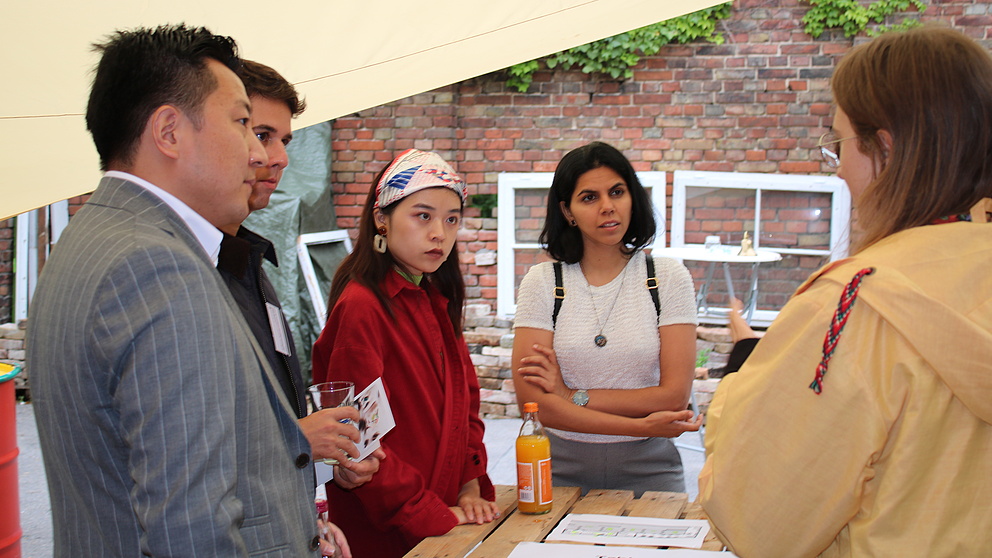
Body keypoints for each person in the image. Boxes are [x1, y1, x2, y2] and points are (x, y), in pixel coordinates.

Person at [27, 25, 321, 556]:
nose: (259, 156)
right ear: (169, 131)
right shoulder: (160, 266)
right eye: (241, 123)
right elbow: (191, 528)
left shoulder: (88, 240)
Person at [698, 26, 992, 557]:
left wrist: (739, 387)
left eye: (838, 144)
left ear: (885, 147)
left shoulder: (857, 304)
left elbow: (761, 520)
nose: (840, 171)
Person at [217, 60, 384, 556]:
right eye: (261, 133)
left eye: (285, 141)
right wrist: (298, 439)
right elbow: (179, 455)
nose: (276, 157)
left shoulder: (249, 265)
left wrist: (313, 505)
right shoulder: (182, 271)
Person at [312, 149, 500, 557]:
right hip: (385, 529)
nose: (440, 233)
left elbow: (466, 400)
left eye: (452, 218)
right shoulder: (362, 305)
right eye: (423, 215)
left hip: (441, 515)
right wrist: (426, 511)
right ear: (382, 217)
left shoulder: (433, 296)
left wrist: (469, 481)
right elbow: (358, 439)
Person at [512, 141, 703, 496]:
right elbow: (534, 404)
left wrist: (571, 394)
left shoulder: (667, 277)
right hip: (555, 470)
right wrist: (643, 424)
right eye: (589, 197)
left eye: (617, 192)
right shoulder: (542, 283)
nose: (607, 207)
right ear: (567, 211)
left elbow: (674, 396)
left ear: (633, 197)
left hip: (651, 470)